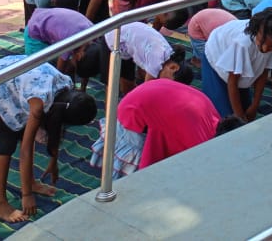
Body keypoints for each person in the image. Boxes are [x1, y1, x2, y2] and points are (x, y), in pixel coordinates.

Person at [0, 54, 96, 223]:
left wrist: (53, 161)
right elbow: (25, 150)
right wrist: (26, 195)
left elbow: (56, 127)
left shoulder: (66, 92)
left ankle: (31, 182)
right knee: (6, 145)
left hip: (19, 80)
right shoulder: (39, 104)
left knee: (24, 132)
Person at [91, 77, 222, 179]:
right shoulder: (200, 143)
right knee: (136, 175)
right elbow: (153, 160)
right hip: (134, 113)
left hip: (146, 96)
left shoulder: (215, 117)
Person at [200, 8, 272, 121]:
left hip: (239, 65)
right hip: (217, 57)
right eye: (261, 42)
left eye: (271, 47)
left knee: (246, 109)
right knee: (224, 115)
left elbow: (263, 71)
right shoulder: (243, 44)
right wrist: (239, 117)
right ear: (256, 32)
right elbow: (233, 81)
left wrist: (255, 105)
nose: (264, 49)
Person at [103, 21, 188, 95]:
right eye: (166, 82)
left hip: (128, 36)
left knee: (128, 86)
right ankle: (110, 107)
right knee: (113, 87)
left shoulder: (167, 52)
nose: (163, 84)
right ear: (173, 67)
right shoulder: (156, 62)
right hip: (114, 41)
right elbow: (146, 91)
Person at [23, 6, 103, 82]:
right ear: (79, 56)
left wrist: (83, 88)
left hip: (51, 24)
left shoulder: (94, 35)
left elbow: (88, 69)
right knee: (39, 71)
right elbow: (59, 73)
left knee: (67, 65)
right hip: (35, 30)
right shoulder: (70, 41)